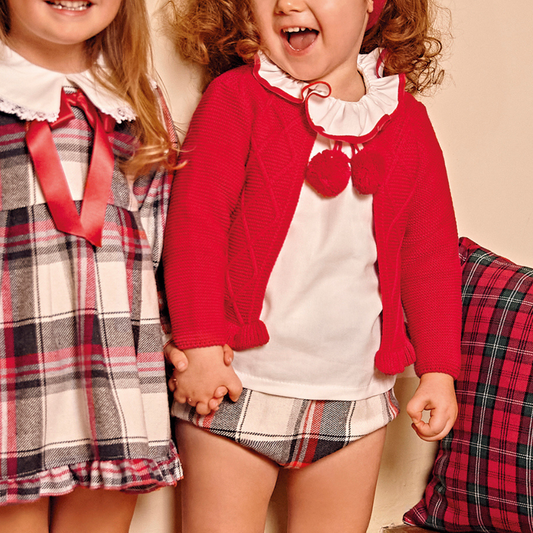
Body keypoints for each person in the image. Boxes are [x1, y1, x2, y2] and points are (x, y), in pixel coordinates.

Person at [163, 0, 462, 531]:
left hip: (358, 395)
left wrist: (437, 369)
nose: (286, 4)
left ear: (373, 6)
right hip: (238, 385)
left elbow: (431, 253)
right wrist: (199, 342)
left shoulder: (408, 121)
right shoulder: (236, 97)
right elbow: (195, 223)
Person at [0, 1, 186, 531]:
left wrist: (176, 335)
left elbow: (160, 230)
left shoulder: (136, 99)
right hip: (12, 371)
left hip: (114, 367)